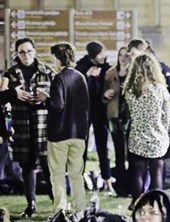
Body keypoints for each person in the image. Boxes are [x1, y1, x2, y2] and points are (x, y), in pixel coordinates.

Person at [4, 38, 56, 217]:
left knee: (48, 166)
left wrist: (45, 99)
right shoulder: (10, 74)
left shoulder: (47, 72)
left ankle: (56, 203)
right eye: (22, 52)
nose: (26, 55)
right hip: (20, 124)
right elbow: (3, 104)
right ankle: (31, 204)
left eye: (29, 51)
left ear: (35, 51)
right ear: (17, 54)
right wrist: (14, 95)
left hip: (43, 126)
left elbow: (59, 100)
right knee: (27, 165)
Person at [123, 54, 170, 208]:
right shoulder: (161, 90)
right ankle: (156, 203)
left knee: (138, 173)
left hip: (137, 137)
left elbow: (128, 114)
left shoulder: (129, 90)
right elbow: (169, 118)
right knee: (157, 173)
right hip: (158, 137)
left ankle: (137, 202)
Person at [43, 43, 89, 212]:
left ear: (58, 58)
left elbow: (57, 105)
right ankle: (79, 209)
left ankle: (60, 210)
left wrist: (44, 98)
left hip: (59, 134)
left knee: (57, 175)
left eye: (53, 58)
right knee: (77, 175)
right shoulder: (81, 77)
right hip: (79, 134)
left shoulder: (59, 78)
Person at [74, 41, 111, 189]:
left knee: (103, 145)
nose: (103, 56)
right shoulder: (81, 67)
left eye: (103, 53)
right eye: (100, 54)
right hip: (84, 111)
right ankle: (79, 177)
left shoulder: (107, 68)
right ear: (93, 56)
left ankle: (107, 178)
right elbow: (75, 87)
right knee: (81, 144)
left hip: (100, 110)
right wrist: (87, 75)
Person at [103, 46, 132, 197]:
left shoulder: (133, 73)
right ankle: (120, 187)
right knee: (119, 152)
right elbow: (102, 96)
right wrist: (106, 95)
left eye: (126, 55)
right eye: (120, 55)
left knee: (131, 153)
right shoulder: (110, 73)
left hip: (130, 116)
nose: (123, 58)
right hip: (114, 115)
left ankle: (131, 185)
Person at [126, 38, 170, 106]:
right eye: (129, 56)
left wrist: (167, 112)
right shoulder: (131, 72)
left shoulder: (161, 69)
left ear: (144, 52)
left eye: (133, 54)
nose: (131, 59)